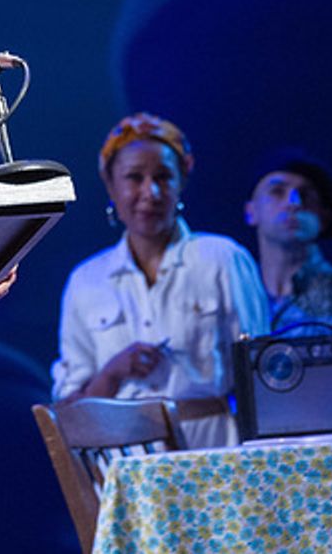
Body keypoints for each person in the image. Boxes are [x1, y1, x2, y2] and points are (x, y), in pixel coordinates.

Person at [51, 113, 269, 447]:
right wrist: (113, 371)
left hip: (213, 451)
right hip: (126, 458)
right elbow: (69, 409)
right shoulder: (86, 281)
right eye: (134, 177)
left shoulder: (222, 258)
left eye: (164, 177)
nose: (150, 192)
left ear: (182, 181)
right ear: (110, 184)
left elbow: (261, 372)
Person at [243, 148, 332, 337]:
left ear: (324, 218)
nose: (293, 203)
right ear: (251, 211)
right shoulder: (236, 293)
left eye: (306, 195)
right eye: (277, 192)